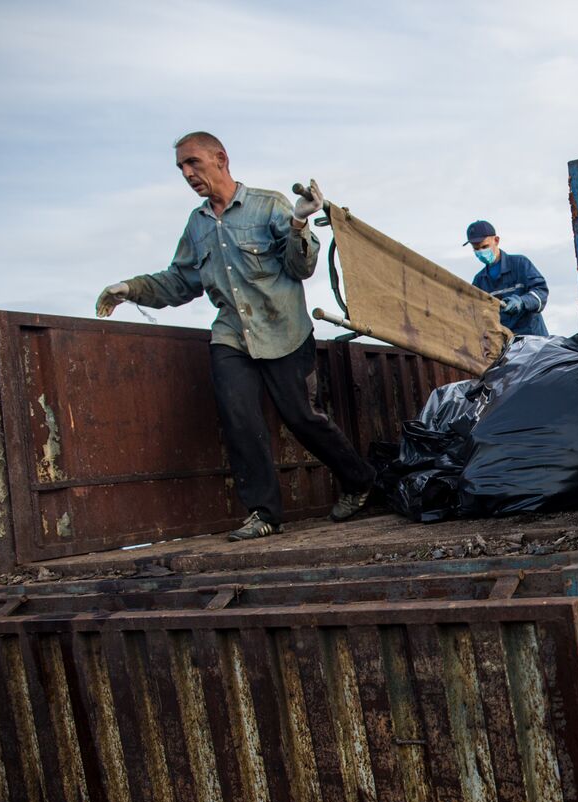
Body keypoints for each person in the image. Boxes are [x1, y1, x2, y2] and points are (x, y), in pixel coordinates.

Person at [95, 131, 377, 541]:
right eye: (181, 168)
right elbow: (180, 280)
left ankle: (359, 480)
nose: (188, 173)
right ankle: (264, 513)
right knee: (239, 418)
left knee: (301, 417)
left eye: (193, 163)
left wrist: (298, 221)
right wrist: (131, 289)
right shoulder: (197, 225)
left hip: (284, 330)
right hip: (231, 336)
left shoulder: (268, 206)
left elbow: (301, 268)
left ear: (221, 158)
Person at [465, 220, 549, 336]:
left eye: (485, 246)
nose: (481, 252)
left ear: (496, 240)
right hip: (503, 346)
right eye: (476, 249)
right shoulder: (479, 281)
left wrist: (522, 302)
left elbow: (541, 292)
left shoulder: (520, 264)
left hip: (533, 341)